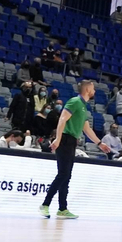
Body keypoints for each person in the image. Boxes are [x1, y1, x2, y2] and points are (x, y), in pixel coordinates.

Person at [40, 79, 107, 219]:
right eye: (93, 88)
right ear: (87, 89)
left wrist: (100, 144)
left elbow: (86, 129)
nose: (95, 91)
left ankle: (62, 208)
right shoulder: (74, 102)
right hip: (64, 139)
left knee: (66, 176)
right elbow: (62, 120)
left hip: (71, 142)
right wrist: (57, 139)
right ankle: (45, 205)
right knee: (63, 174)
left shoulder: (83, 106)